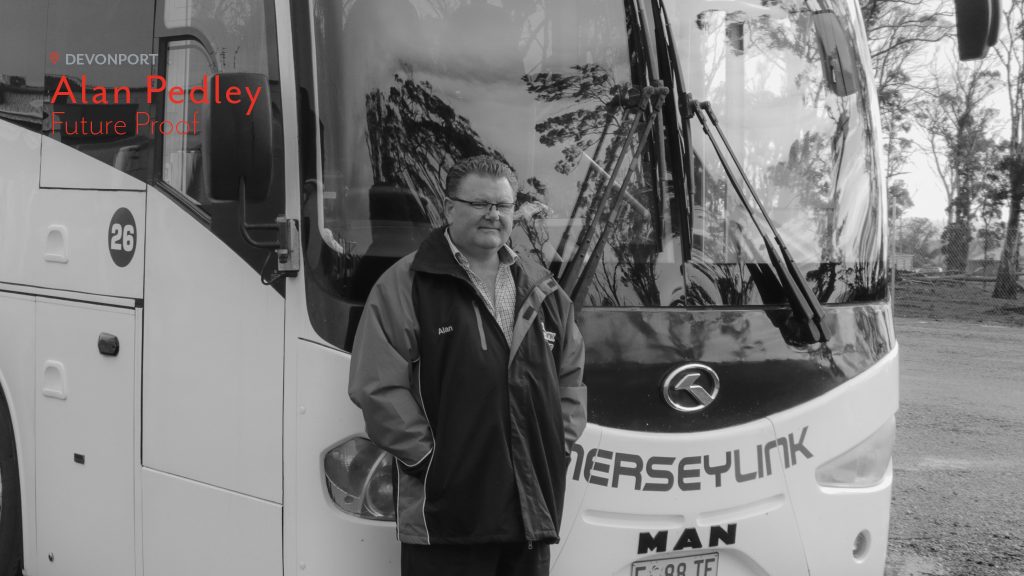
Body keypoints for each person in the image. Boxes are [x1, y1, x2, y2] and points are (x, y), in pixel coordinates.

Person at [349, 155, 587, 576]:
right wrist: (434, 466)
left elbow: (570, 383)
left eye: (503, 206)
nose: (493, 216)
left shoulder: (543, 288)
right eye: (480, 204)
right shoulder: (406, 284)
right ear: (448, 208)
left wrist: (554, 448)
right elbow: (377, 388)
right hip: (446, 519)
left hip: (529, 511)